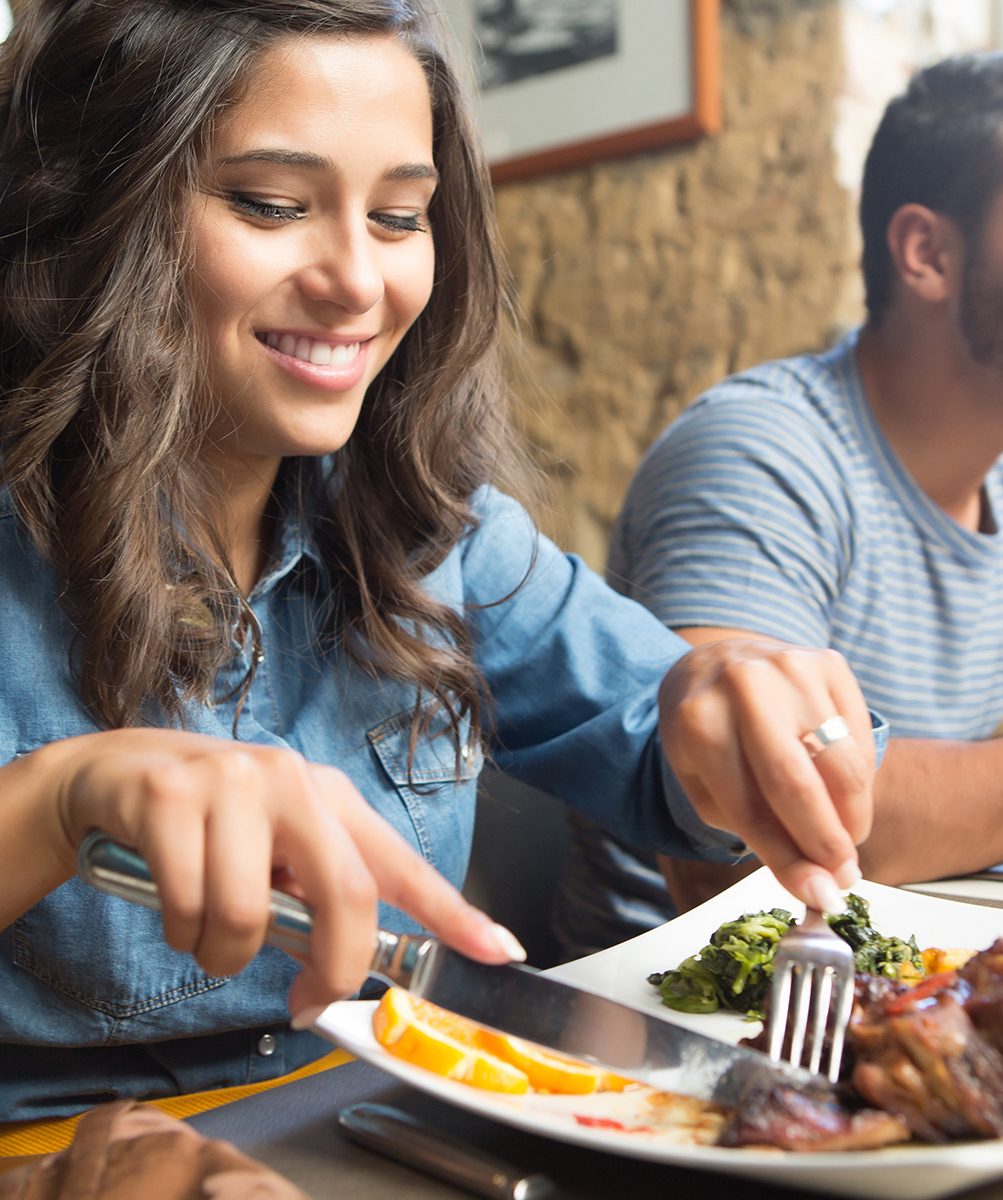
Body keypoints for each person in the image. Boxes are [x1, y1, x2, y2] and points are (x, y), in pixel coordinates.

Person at [0, 0, 885, 1120]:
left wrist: (740, 714)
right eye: (272, 206)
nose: (358, 284)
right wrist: (55, 802)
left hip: (386, 1129)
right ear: (90, 209)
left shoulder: (431, 530)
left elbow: (673, 751)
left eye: (400, 216)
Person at [554, 50, 1003, 959]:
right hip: (673, 1012)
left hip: (915, 969)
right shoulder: (760, 456)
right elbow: (774, 829)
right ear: (928, 253)